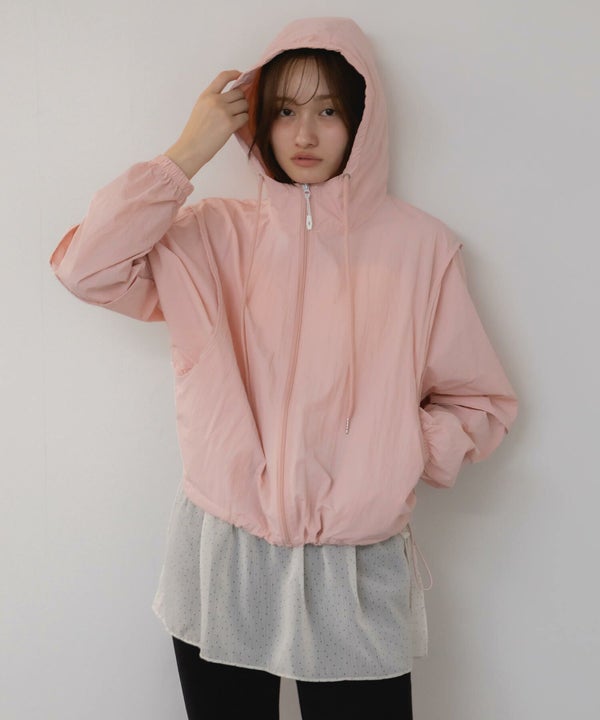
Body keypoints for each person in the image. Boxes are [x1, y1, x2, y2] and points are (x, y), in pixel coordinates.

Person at [48, 16, 518, 720]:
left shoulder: (420, 249)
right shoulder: (210, 237)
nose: (305, 134)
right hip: (225, 556)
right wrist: (187, 152)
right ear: (259, 121)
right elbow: (86, 270)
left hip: (355, 567)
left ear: (361, 121)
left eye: (328, 111)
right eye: (286, 110)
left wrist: (395, 450)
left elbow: (480, 403)